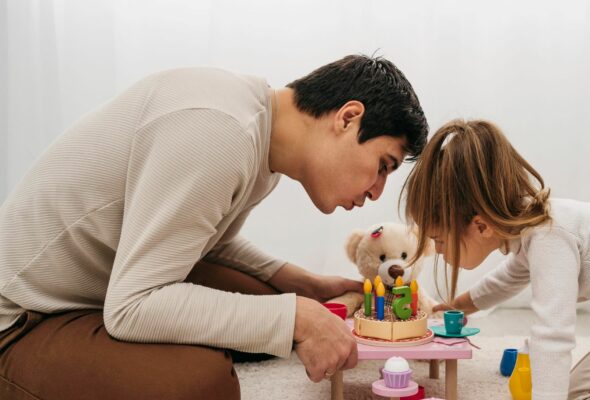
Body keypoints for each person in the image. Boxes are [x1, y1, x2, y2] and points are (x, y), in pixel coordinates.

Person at [0, 54, 429, 399]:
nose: (376, 191)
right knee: (204, 382)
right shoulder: (220, 132)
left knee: (268, 298)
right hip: (25, 317)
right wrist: (298, 318)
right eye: (383, 166)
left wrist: (299, 283)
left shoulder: (258, 129)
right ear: (348, 118)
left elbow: (196, 235)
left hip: (103, 277)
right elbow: (131, 307)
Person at [402, 119, 590, 400]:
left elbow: (553, 334)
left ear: (481, 225)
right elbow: (510, 277)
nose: (437, 249)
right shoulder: (533, 226)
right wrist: (461, 305)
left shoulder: (549, 237)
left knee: (583, 390)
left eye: (439, 240)